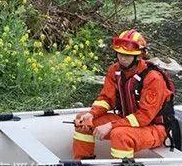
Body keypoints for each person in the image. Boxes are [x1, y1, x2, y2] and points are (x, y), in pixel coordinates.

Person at [72, 29, 174, 159]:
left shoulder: (153, 78)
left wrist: (110, 125)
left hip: (154, 128)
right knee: (84, 122)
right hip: (126, 119)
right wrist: (91, 114)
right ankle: (82, 162)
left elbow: (144, 117)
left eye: (127, 55)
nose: (122, 58)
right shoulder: (114, 70)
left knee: (119, 134)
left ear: (138, 56)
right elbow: (106, 99)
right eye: (120, 54)